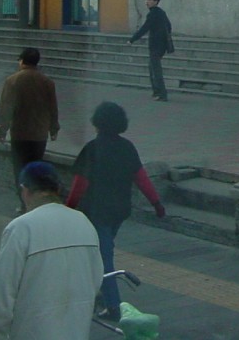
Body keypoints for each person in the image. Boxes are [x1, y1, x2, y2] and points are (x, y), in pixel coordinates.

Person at [0, 161, 103, 340]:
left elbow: (0, 295)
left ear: (24, 190)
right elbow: (95, 281)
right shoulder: (83, 222)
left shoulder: (21, 228)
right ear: (57, 189)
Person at [66, 102, 166, 321]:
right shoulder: (127, 147)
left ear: (97, 123)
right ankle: (99, 292)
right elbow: (141, 178)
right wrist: (156, 203)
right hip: (119, 211)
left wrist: (68, 209)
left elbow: (80, 184)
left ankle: (112, 305)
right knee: (100, 251)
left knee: (103, 257)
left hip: (97, 211)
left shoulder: (92, 149)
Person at [0, 48, 59, 212]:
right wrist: (54, 128)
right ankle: (37, 203)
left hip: (20, 133)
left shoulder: (12, 81)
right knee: (36, 169)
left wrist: (3, 129)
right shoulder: (47, 82)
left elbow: (6, 108)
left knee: (20, 170)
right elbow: (53, 107)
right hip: (39, 135)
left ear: (22, 61)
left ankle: (24, 203)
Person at [128, 0, 172, 102]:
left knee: (155, 70)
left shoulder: (153, 14)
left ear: (156, 2)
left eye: (149, 0)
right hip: (161, 45)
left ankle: (161, 94)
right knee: (152, 68)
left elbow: (144, 28)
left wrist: (132, 39)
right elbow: (169, 26)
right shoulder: (161, 12)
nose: (146, 2)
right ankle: (157, 92)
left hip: (156, 45)